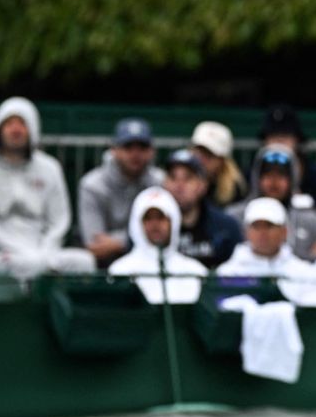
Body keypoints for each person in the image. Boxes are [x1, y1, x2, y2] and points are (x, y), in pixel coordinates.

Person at [0, 97, 94, 279]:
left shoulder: (50, 167)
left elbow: (59, 221)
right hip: (0, 253)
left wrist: (44, 252)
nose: (16, 129)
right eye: (9, 123)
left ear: (33, 129)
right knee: (22, 265)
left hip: (46, 252)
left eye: (22, 124)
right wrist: (25, 253)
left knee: (84, 262)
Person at [78, 118, 164, 267]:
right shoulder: (92, 184)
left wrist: (119, 242)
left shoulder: (160, 182)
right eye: (128, 147)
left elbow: (162, 235)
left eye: (142, 148)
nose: (135, 154)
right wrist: (140, 237)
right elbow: (94, 244)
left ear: (152, 151)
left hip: (150, 260)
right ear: (114, 150)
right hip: (103, 265)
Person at [227, 146, 316, 261]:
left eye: (281, 175)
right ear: (257, 178)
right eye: (267, 174)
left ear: (292, 179)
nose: (274, 181)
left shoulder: (311, 219)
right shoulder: (235, 217)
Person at [109, 186, 207, 304]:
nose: (155, 224)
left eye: (161, 218)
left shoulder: (196, 271)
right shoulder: (120, 271)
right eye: (148, 218)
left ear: (173, 221)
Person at [162, 148, 242, 269]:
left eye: (188, 178)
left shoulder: (226, 227)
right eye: (173, 177)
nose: (179, 185)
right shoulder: (151, 226)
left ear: (203, 185)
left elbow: (239, 275)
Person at [259, 104, 316, 212]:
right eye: (273, 136)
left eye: (285, 136)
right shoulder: (251, 176)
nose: (279, 142)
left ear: (297, 140)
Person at [216, 197, 313, 279]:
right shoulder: (227, 274)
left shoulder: (304, 274)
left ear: (284, 232)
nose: (262, 232)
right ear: (246, 232)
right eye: (256, 226)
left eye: (269, 226)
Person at [190, 121, 247, 207]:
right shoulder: (178, 182)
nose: (201, 160)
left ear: (222, 160)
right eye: (198, 152)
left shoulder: (235, 190)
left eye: (209, 155)